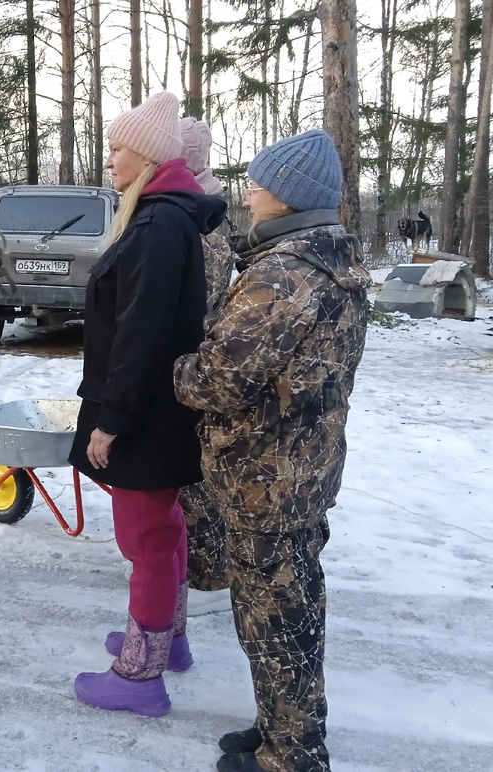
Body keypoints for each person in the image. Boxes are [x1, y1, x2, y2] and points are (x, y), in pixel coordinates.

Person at [172, 129, 370, 772]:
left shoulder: (283, 276)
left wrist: (172, 367)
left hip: (266, 479)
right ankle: (281, 728)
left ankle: (292, 755)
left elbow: (219, 380)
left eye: (258, 187)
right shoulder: (332, 261)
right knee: (289, 614)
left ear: (287, 196)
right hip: (301, 471)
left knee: (275, 622)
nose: (248, 197)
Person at [68, 91, 228, 717]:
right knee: (165, 527)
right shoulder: (162, 216)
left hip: (144, 412)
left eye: (117, 149)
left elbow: (141, 333)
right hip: (157, 407)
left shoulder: (159, 224)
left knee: (147, 539)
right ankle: (166, 640)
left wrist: (113, 420)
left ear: (148, 157)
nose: (108, 159)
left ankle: (139, 677)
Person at [177, 116, 236, 610]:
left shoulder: (201, 220)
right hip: (196, 356)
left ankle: (209, 575)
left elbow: (198, 302)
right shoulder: (201, 204)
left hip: (196, 361)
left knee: (193, 474)